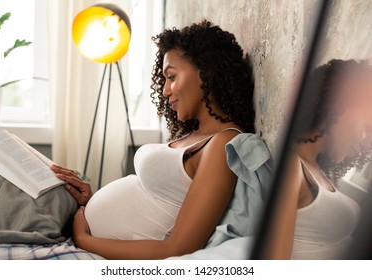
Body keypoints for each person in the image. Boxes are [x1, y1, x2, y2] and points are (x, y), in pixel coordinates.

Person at [50, 20, 259, 259]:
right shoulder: (193, 135)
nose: (165, 91)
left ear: (206, 72)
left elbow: (179, 249)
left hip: (89, 243)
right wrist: (92, 199)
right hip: (80, 226)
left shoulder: (223, 145)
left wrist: (85, 240)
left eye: (171, 77)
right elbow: (153, 200)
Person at [262, 59, 372, 259]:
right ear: (339, 106)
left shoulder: (319, 169)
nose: (367, 143)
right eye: (367, 127)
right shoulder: (291, 168)